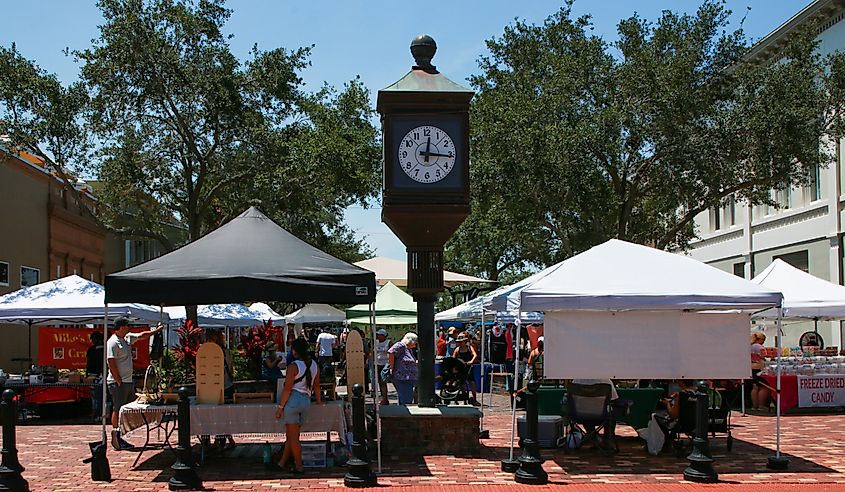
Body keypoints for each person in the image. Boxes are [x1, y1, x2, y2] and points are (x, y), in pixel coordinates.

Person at [106, 317, 163, 451]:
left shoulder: (126, 338)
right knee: (118, 408)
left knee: (125, 408)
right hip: (117, 383)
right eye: (126, 325)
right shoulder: (113, 342)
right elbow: (111, 362)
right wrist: (118, 380)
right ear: (120, 327)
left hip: (127, 381)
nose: (129, 327)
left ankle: (121, 434)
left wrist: (156, 331)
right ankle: (116, 435)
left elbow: (142, 335)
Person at [274, 338, 321, 474]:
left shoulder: (293, 366)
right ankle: (282, 462)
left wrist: (280, 408)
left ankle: (299, 466)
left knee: (294, 438)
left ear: (294, 351)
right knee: (292, 435)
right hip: (306, 401)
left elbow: (287, 389)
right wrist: (318, 401)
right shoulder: (314, 365)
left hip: (293, 402)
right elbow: (317, 386)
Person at [206, 330, 236, 449]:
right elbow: (231, 368)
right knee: (224, 415)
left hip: (216, 386)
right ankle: (228, 439)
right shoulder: (226, 352)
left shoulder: (210, 352)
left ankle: (220, 440)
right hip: (227, 385)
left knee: (217, 415)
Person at [388, 332, 418, 405]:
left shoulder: (408, 349)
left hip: (408, 378)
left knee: (407, 398)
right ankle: (404, 414)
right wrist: (391, 367)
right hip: (402, 377)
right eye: (415, 342)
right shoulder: (400, 345)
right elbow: (390, 352)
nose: (415, 344)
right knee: (405, 399)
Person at [452, 332, 480, 406]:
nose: (460, 343)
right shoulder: (457, 349)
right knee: (462, 384)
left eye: (461, 342)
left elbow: (475, 355)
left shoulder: (469, 348)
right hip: (461, 368)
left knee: (472, 383)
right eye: (459, 342)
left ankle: (474, 399)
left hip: (469, 367)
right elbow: (453, 359)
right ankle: (464, 399)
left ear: (465, 341)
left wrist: (471, 361)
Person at [750, 332, 771, 412]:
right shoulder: (758, 347)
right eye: (764, 340)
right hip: (759, 367)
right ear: (760, 339)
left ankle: (755, 405)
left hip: (752, 368)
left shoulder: (750, 346)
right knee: (764, 387)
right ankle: (762, 405)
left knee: (755, 387)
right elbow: (764, 356)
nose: (764, 342)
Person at [86, 331, 104, 421]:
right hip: (103, 374)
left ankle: (97, 414)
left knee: (96, 396)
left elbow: (89, 363)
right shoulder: (105, 349)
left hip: (95, 375)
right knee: (102, 396)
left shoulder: (92, 350)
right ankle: (100, 414)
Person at [374, 329, 391, 405]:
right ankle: (384, 398)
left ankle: (385, 398)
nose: (378, 336)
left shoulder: (388, 342)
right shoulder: (376, 342)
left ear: (384, 335)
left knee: (384, 381)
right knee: (380, 382)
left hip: (386, 364)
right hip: (378, 364)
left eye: (379, 335)